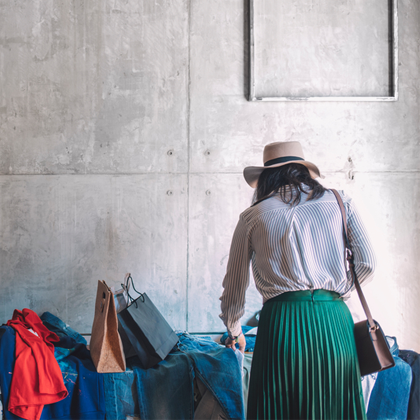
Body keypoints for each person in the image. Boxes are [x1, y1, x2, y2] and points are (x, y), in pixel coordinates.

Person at [219, 141, 376, 420]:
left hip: (282, 324)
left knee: (279, 408)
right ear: (304, 171)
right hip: (335, 321)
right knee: (336, 407)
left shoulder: (252, 217)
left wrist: (235, 331)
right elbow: (367, 264)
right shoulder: (340, 202)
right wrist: (335, 293)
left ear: (265, 178)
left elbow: (234, 290)